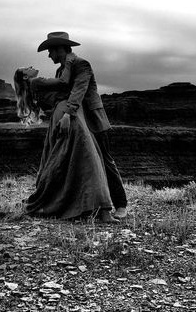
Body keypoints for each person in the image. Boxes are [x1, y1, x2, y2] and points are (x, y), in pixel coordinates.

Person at [37, 31, 128, 219]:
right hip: (78, 122)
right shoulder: (61, 71)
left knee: (104, 161)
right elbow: (62, 93)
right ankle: (84, 204)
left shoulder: (81, 64)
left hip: (92, 120)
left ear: (60, 49)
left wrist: (67, 114)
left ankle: (120, 205)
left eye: (50, 51)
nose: (49, 55)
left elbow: (79, 90)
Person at [13, 66, 117, 222]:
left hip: (60, 113)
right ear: (26, 77)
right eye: (27, 68)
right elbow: (63, 81)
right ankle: (103, 211)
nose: (31, 67)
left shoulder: (33, 87)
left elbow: (49, 102)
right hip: (68, 114)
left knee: (66, 161)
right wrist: (70, 62)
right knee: (90, 160)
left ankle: (80, 205)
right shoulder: (36, 81)